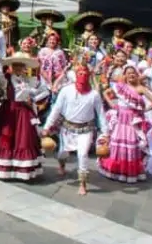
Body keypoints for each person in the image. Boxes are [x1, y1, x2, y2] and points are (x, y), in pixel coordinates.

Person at [41, 65, 109, 196]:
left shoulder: (94, 94)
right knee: (62, 153)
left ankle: (82, 183)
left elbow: (101, 114)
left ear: (89, 75)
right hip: (67, 129)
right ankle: (62, 165)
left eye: (85, 72)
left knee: (82, 154)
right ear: (76, 74)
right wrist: (46, 127)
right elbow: (56, 109)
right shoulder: (66, 90)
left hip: (86, 129)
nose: (82, 74)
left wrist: (105, 134)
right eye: (80, 72)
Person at [0, 52, 48, 181]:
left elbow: (45, 91)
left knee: (24, 139)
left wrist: (33, 99)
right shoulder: (5, 79)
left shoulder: (29, 79)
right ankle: (3, 169)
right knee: (5, 138)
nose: (18, 68)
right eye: (16, 65)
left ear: (24, 67)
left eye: (21, 65)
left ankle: (21, 170)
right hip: (8, 110)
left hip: (23, 111)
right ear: (11, 66)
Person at [99, 65, 152, 183]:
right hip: (120, 119)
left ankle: (128, 172)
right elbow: (106, 93)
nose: (131, 75)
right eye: (128, 73)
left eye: (133, 73)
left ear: (136, 75)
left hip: (132, 121)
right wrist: (113, 105)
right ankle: (115, 170)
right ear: (125, 75)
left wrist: (143, 110)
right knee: (116, 143)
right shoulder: (120, 87)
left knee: (132, 144)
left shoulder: (140, 88)